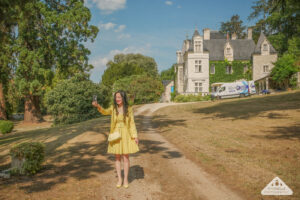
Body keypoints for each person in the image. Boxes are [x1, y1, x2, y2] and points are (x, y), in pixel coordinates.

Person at [92, 90, 139, 189]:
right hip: (116, 134)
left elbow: (132, 123)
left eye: (119, 97)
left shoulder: (129, 109)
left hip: (126, 134)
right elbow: (104, 111)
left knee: (126, 158)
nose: (117, 99)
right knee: (117, 157)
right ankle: (119, 179)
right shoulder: (113, 108)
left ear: (123, 98)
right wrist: (98, 106)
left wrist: (135, 136)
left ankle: (125, 179)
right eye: (116, 97)